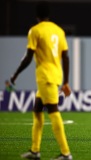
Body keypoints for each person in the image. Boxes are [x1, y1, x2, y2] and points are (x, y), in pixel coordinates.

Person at [10, 1, 73, 160]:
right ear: (48, 14)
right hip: (55, 76)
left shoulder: (35, 30)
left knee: (53, 111)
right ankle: (35, 151)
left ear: (37, 15)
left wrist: (15, 74)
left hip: (45, 77)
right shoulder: (59, 31)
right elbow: (65, 57)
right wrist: (65, 81)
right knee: (37, 110)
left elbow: (28, 57)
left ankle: (66, 153)